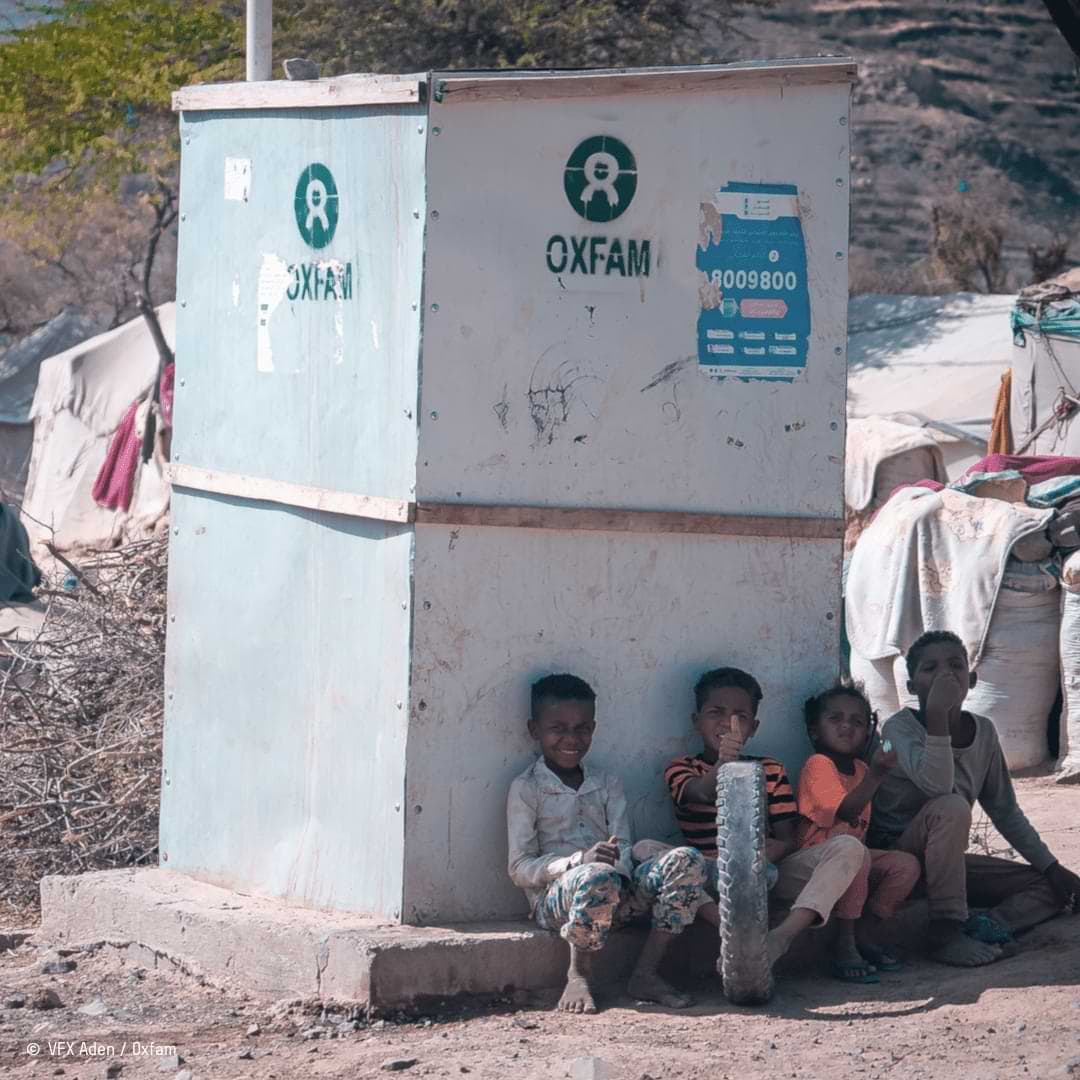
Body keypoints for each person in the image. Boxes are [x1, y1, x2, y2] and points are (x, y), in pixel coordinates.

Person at [870, 629, 1080, 966]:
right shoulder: (899, 729)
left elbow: (1005, 811)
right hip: (899, 858)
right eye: (930, 669)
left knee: (1049, 886)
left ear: (972, 678)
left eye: (955, 665)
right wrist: (938, 716)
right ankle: (945, 930)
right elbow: (938, 788)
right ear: (911, 687)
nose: (945, 675)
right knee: (950, 805)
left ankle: (986, 927)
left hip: (947, 862)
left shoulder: (983, 731)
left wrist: (1052, 867)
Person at [507, 673, 708, 1014]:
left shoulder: (607, 782)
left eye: (582, 728)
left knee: (686, 859)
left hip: (616, 894)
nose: (572, 738)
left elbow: (623, 845)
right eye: (558, 728)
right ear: (534, 729)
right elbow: (519, 867)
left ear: (594, 728)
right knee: (595, 873)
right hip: (557, 902)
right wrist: (577, 861)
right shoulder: (526, 788)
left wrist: (632, 859)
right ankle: (578, 974)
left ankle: (645, 974)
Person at [664, 667, 871, 971]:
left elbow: (787, 838)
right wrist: (724, 762)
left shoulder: (770, 769)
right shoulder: (681, 767)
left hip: (766, 872)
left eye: (741, 716)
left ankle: (782, 938)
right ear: (696, 721)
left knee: (850, 848)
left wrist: (759, 859)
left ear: (754, 727)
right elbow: (699, 794)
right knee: (650, 852)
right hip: (707, 874)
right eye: (716, 713)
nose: (728, 723)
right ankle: (730, 933)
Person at [797, 682, 921, 981]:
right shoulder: (818, 764)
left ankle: (866, 931)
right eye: (835, 719)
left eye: (857, 721)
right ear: (815, 730)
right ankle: (844, 942)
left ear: (868, 732)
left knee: (905, 865)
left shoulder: (862, 770)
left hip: (855, 859)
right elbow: (847, 811)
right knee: (857, 855)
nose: (846, 727)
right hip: (818, 861)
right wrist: (878, 773)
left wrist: (876, 771)